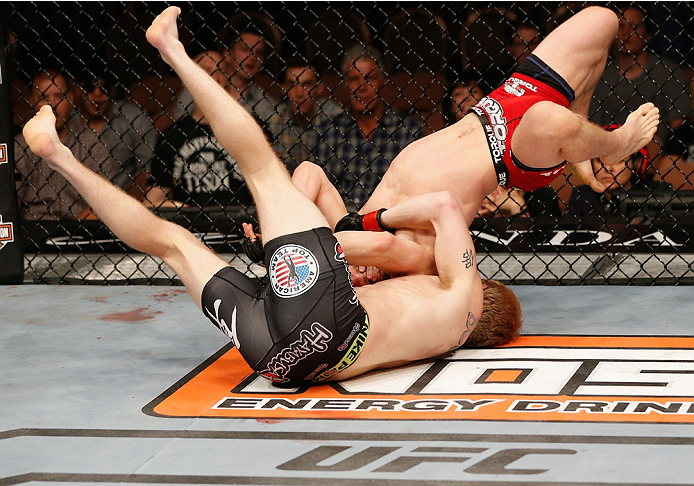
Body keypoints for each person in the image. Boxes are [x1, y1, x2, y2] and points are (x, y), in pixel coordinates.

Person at [21, 7, 521, 386]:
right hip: (285, 363)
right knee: (170, 243)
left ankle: (171, 48)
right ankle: (58, 155)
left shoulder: (465, 294)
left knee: (262, 169)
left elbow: (445, 206)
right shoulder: (443, 330)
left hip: (334, 320)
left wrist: (370, 221)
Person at [292, 5, 660, 277]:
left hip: (500, 102)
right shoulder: (411, 255)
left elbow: (310, 173)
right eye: (358, 280)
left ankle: (579, 117)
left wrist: (280, 233)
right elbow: (382, 245)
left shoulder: (351, 228)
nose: (359, 275)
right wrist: (331, 249)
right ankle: (617, 143)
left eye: (350, 275)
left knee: (604, 18)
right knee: (549, 120)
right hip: (515, 152)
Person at [313, 44, 423, 208]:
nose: (362, 86)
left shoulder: (408, 132)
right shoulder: (329, 132)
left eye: (370, 78)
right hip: (339, 223)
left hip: (389, 222)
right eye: (354, 79)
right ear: (345, 84)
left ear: (383, 81)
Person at [144, 50, 251, 209]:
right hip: (192, 229)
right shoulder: (172, 136)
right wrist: (180, 209)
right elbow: (152, 201)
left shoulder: (249, 129)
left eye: (221, 70)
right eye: (206, 70)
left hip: (242, 226)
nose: (215, 77)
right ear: (189, 78)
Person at [15, 68, 116, 220]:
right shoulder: (19, 147)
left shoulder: (93, 144)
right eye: (43, 97)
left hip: (83, 228)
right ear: (32, 101)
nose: (52, 105)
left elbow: (108, 201)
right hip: (33, 229)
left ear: (70, 98)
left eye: (59, 96)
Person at [589, 6, 691, 147]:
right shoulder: (599, 77)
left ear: (647, 34)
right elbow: (591, 126)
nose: (626, 32)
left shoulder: (667, 72)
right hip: (608, 148)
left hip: (655, 150)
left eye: (634, 26)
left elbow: (679, 126)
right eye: (621, 26)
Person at [172, 20, 277, 127]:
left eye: (258, 53)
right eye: (245, 49)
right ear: (227, 54)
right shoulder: (196, 89)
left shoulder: (267, 104)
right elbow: (180, 131)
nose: (252, 57)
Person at [68, 70, 156, 191]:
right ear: (79, 90)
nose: (97, 94)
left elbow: (148, 168)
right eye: (90, 87)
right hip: (73, 195)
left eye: (104, 88)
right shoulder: (68, 120)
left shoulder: (134, 118)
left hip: (120, 196)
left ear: (113, 90)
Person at [266, 58, 342, 171]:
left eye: (306, 84)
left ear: (319, 88)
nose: (299, 93)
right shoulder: (273, 120)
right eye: (292, 84)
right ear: (283, 89)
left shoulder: (336, 119)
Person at [566, 149, 673, 219]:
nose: (608, 168)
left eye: (618, 161)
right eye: (599, 160)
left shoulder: (659, 192)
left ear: (635, 164)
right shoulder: (581, 195)